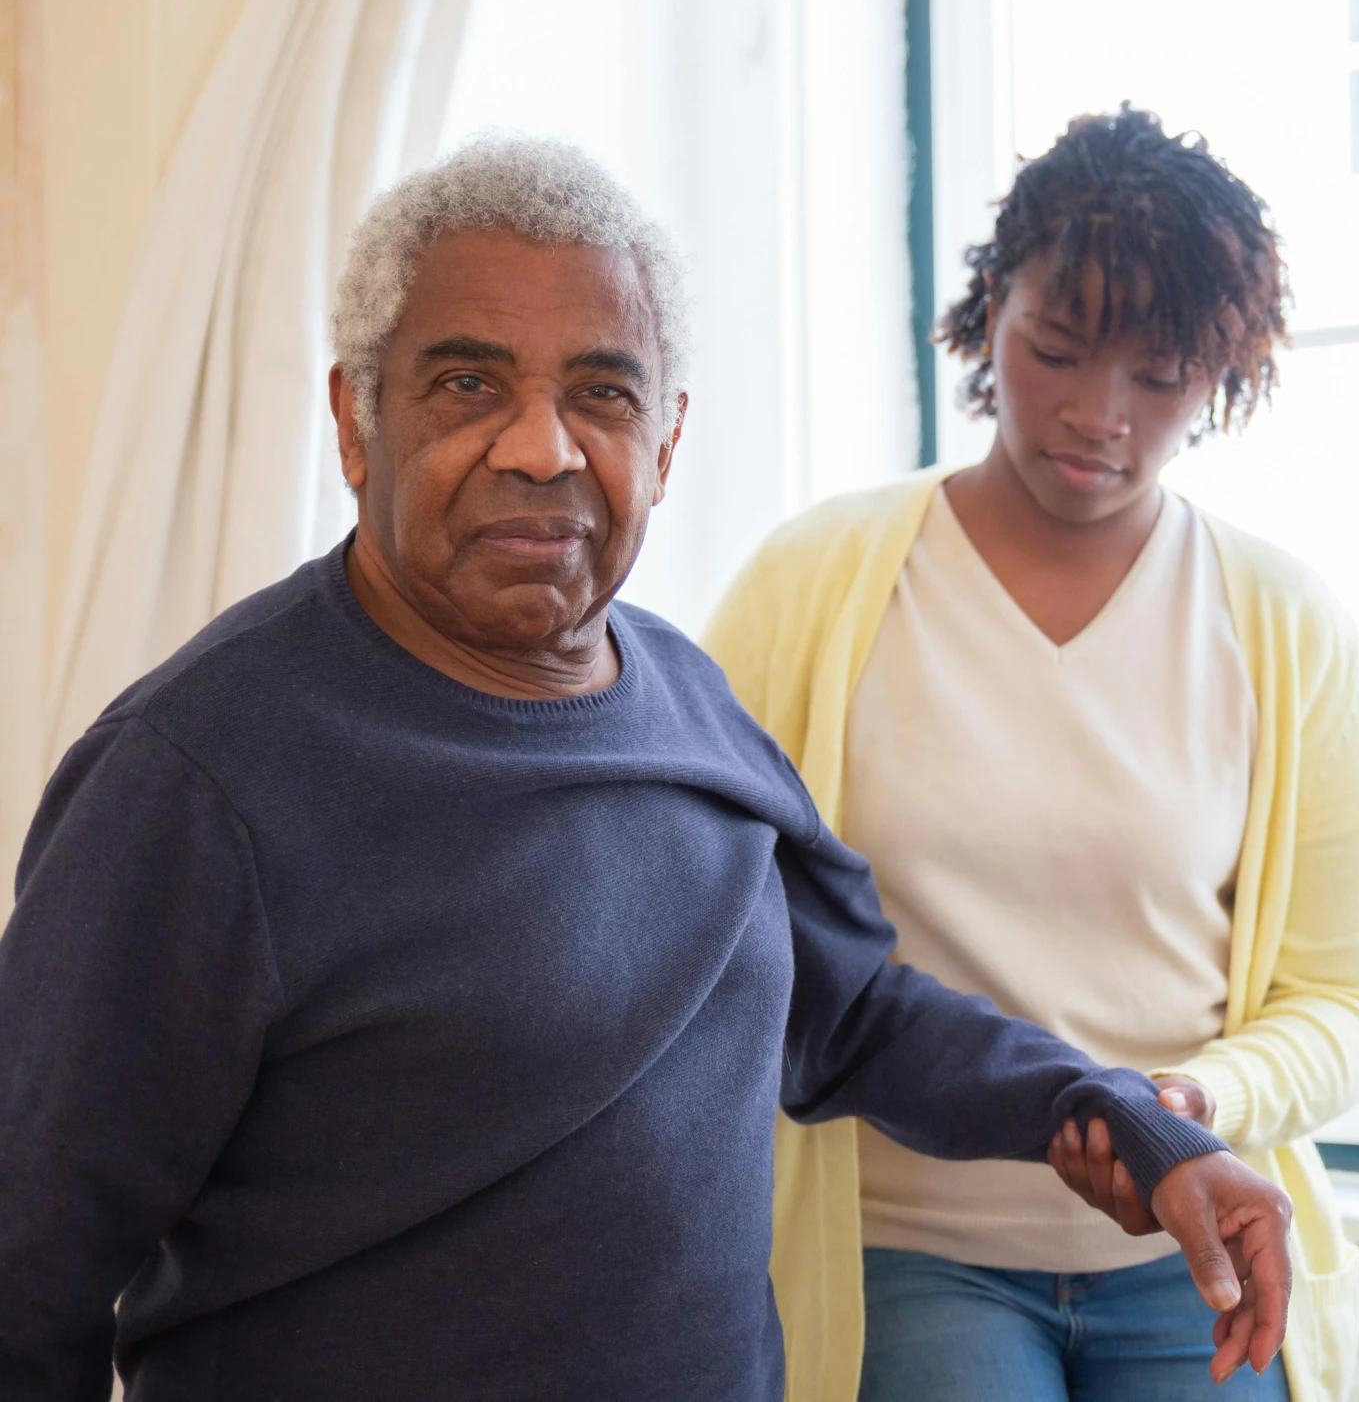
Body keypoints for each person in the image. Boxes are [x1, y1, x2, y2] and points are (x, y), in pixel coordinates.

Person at [0, 138, 1293, 1402]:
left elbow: (851, 1016)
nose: (542, 448)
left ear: (664, 442)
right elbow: (27, 1268)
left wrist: (1126, 1119)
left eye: (602, 394)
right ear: (354, 418)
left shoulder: (686, 700)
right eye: (466, 384)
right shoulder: (195, 782)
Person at [702, 105, 1359, 1402]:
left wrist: (1190, 1101)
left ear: (1226, 371)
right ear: (990, 312)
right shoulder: (810, 584)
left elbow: (1352, 998)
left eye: (1158, 377)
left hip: (1193, 1235)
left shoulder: (1285, 625)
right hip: (905, 1241)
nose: (1097, 416)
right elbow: (708, 918)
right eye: (1056, 350)